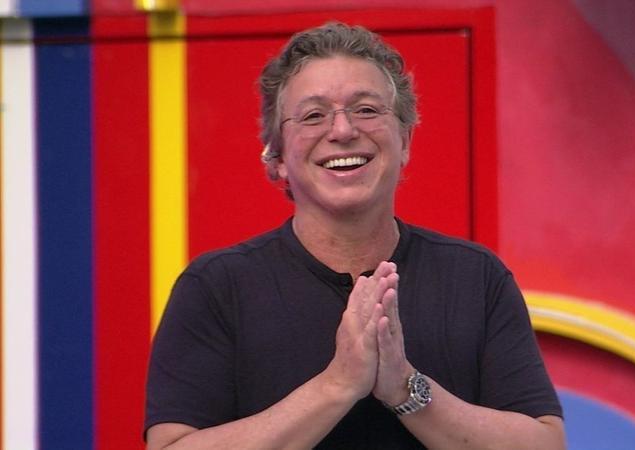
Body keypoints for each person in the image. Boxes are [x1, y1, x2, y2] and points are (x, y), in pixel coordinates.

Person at [144, 22, 565, 449]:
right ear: (278, 156)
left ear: (405, 141)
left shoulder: (475, 278)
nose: (343, 130)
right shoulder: (216, 287)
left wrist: (405, 387)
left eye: (366, 110)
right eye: (313, 115)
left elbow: (545, 444)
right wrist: (337, 385)